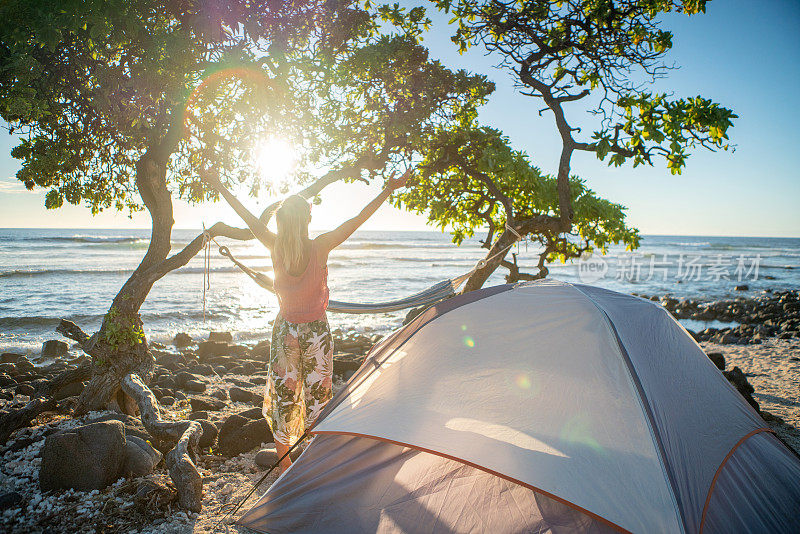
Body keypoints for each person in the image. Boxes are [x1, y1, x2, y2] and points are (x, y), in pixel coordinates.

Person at [202, 168, 411, 472]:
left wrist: (219, 183)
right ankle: (313, 469)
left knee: (285, 400)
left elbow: (247, 216)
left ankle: (287, 472)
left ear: (282, 219)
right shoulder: (321, 246)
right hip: (316, 333)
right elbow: (357, 219)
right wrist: (388, 189)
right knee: (319, 400)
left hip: (285, 331)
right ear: (308, 219)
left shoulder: (274, 244)